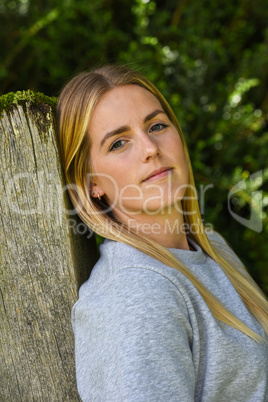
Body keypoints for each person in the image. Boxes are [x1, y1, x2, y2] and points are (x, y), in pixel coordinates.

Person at [57, 65, 268, 401]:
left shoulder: (211, 246)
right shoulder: (137, 293)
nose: (150, 147)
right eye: (118, 143)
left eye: (157, 126)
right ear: (92, 183)